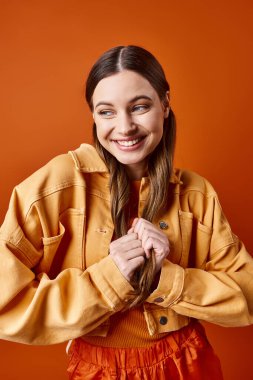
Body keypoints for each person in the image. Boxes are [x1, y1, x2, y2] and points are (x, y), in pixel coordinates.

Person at [0, 45, 252, 380]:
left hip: (189, 362)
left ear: (165, 104)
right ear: (93, 115)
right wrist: (110, 277)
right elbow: (5, 303)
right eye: (106, 112)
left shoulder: (196, 193)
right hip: (99, 371)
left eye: (140, 106)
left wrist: (166, 278)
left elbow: (246, 293)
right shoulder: (57, 184)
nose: (125, 127)